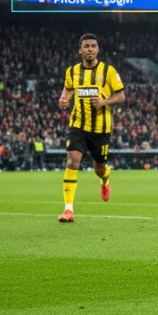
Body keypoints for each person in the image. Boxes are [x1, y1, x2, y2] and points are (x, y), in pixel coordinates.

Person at [57, 34, 125, 222]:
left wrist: (104, 102)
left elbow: (121, 96)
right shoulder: (72, 71)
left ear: (98, 49)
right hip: (78, 124)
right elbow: (68, 89)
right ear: (80, 50)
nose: (90, 49)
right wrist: (63, 100)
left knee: (99, 168)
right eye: (86, 46)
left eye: (93, 46)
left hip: (100, 129)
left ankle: (105, 179)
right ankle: (68, 210)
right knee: (72, 161)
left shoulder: (108, 71)